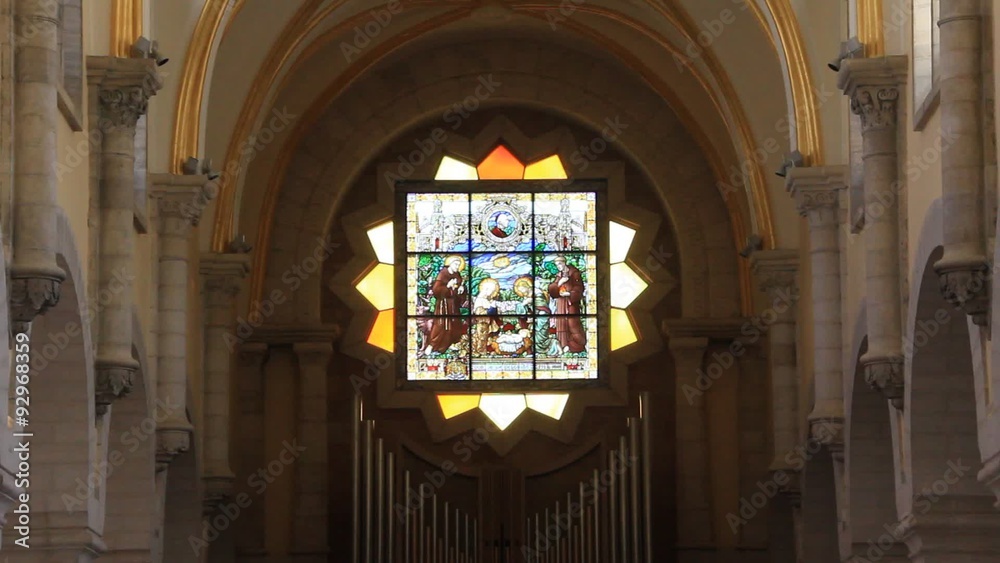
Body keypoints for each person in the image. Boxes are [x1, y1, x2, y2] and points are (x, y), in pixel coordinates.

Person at [425, 256, 467, 354]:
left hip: (454, 305)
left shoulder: (457, 275)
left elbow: (458, 288)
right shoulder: (443, 274)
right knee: (440, 324)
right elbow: (436, 290)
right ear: (450, 264)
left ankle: (450, 344)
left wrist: (461, 290)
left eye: (459, 265)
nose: (457, 266)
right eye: (456, 264)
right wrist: (448, 286)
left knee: (454, 324)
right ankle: (432, 345)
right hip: (443, 305)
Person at [547, 255, 586, 353]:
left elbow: (579, 287)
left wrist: (569, 293)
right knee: (561, 323)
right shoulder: (559, 275)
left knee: (572, 323)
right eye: (557, 265)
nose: (558, 267)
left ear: (564, 262)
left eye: (559, 264)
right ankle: (563, 345)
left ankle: (577, 345)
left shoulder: (574, 273)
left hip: (571, 302)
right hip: (561, 302)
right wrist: (560, 283)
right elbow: (552, 290)